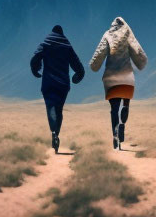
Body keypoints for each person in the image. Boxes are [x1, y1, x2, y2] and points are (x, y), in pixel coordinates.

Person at [89, 16, 147, 150]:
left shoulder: (107, 35)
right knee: (125, 103)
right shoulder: (128, 35)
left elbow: (98, 56)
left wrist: (94, 66)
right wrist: (142, 63)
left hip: (111, 78)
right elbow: (139, 53)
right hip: (127, 78)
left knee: (114, 109)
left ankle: (115, 134)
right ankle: (122, 124)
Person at [30, 24, 85, 153]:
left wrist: (35, 69)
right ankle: (56, 133)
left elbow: (35, 58)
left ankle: (53, 131)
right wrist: (78, 76)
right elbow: (77, 64)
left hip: (48, 82)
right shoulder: (67, 45)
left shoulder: (46, 42)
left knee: (50, 107)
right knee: (59, 109)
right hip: (63, 84)